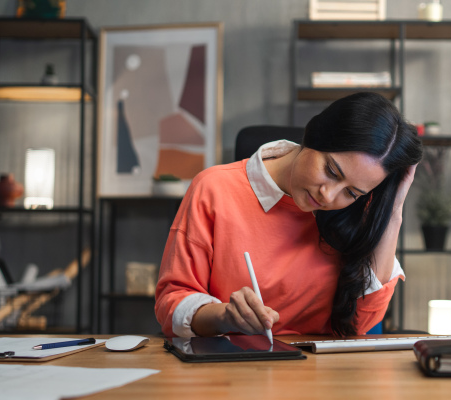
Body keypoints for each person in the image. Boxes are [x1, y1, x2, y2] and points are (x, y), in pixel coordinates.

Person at [155, 92, 423, 338]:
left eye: (351, 192)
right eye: (331, 171)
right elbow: (173, 301)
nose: (328, 196)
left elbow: (360, 326)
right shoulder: (214, 189)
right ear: (314, 134)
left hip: (322, 375)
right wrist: (224, 317)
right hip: (232, 368)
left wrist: (394, 210)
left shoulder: (354, 212)